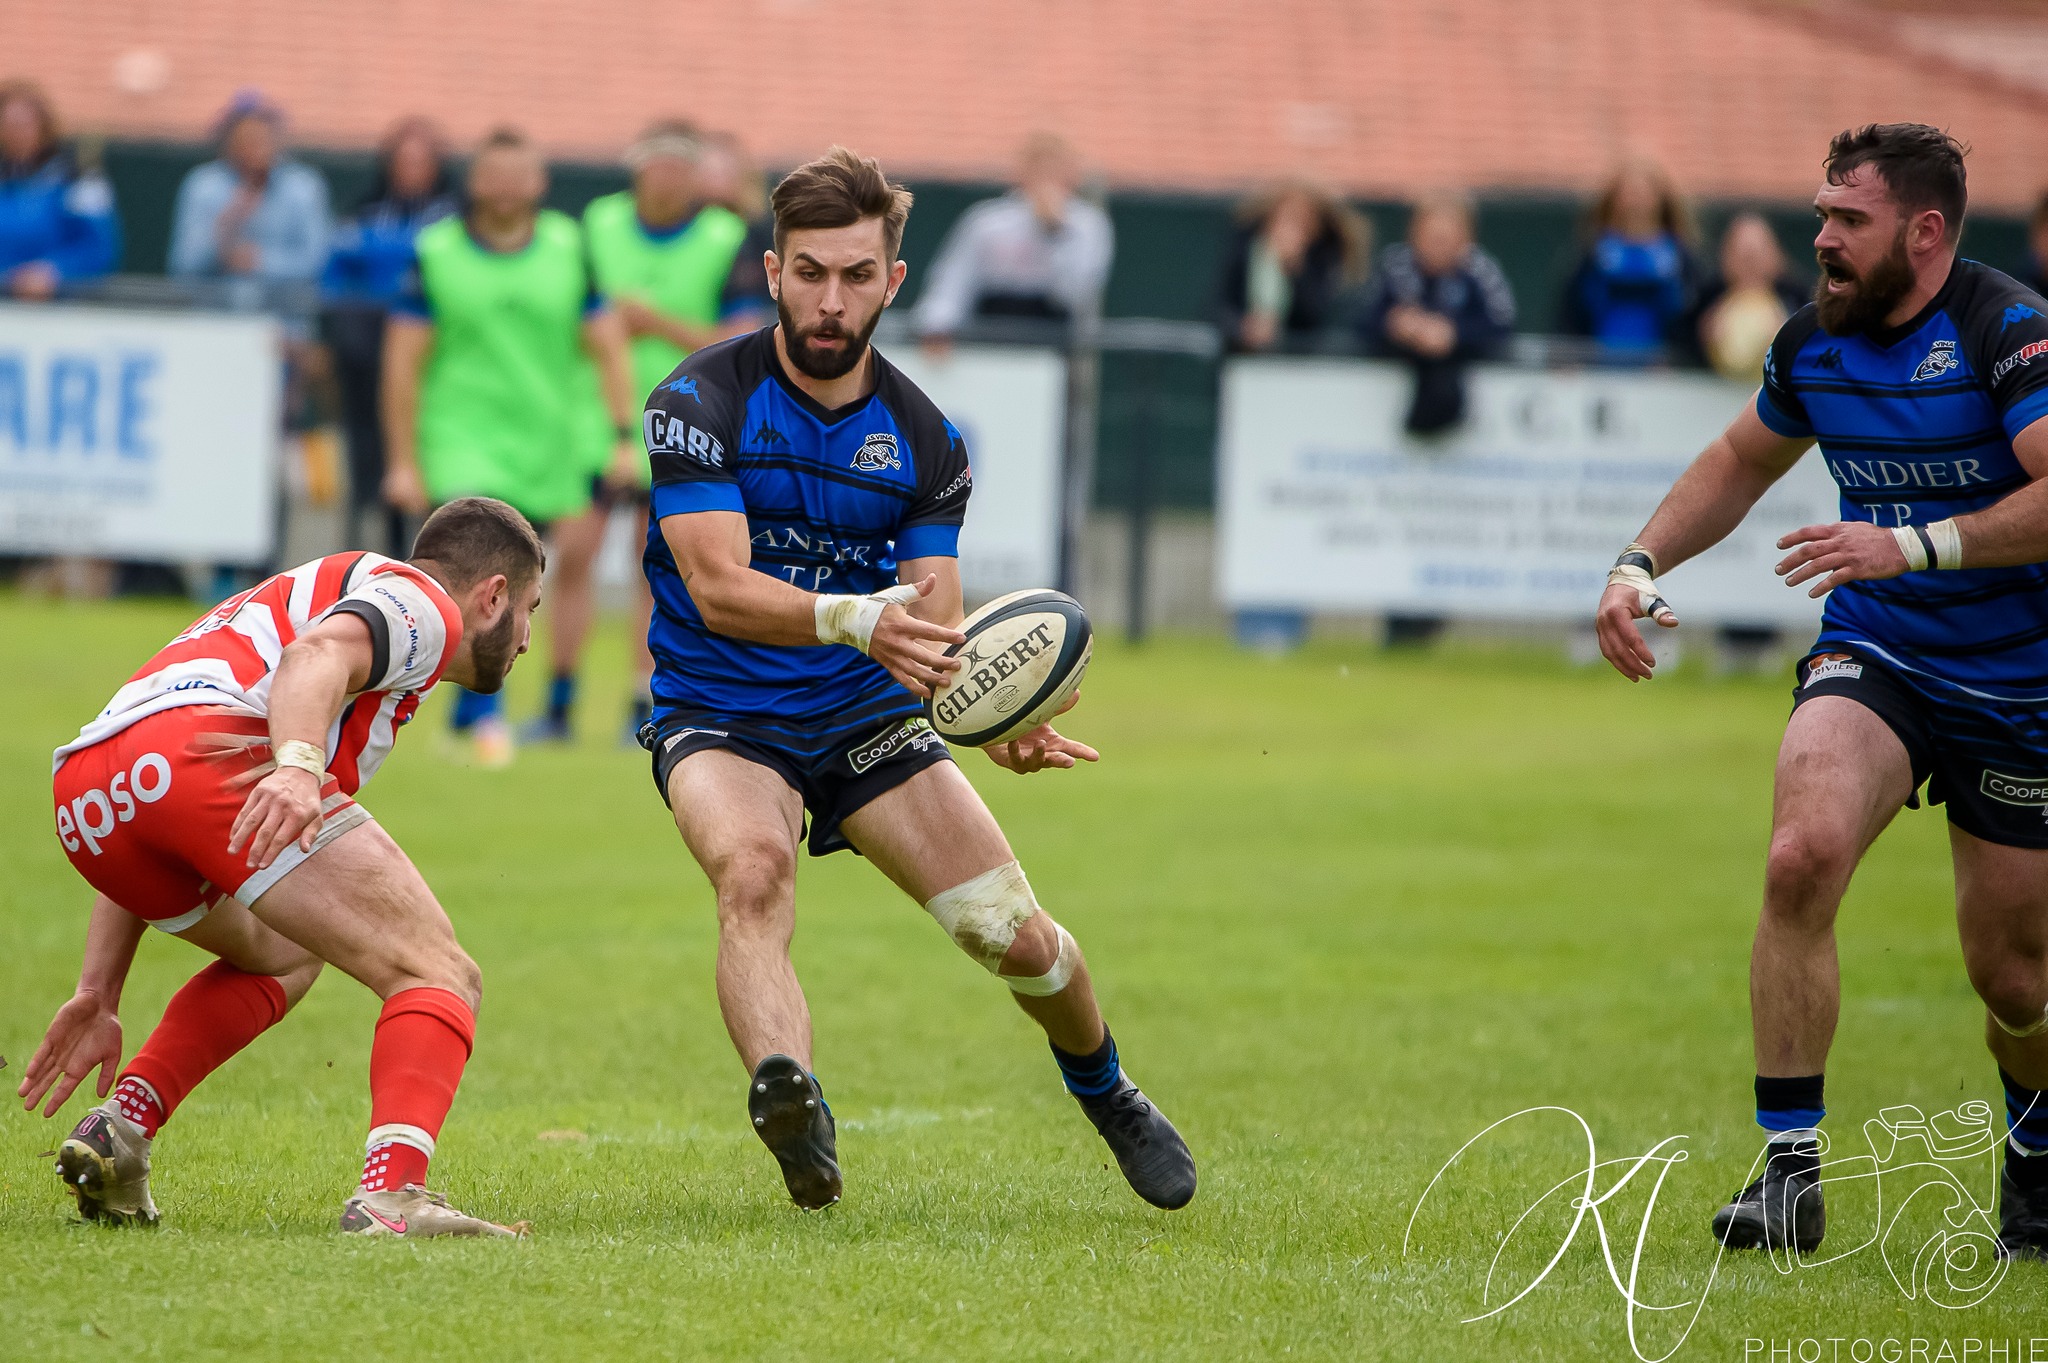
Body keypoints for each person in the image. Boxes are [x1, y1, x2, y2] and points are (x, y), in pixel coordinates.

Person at [638, 147, 1196, 1212]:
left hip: (864, 716)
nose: (829, 300)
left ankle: (1106, 1086)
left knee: (1015, 937)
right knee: (750, 875)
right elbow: (715, 585)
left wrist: (988, 707)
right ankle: (788, 1095)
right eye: (808, 272)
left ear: (893, 282)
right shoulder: (697, 399)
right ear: (770, 272)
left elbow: (931, 613)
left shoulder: (927, 442)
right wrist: (857, 616)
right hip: (720, 712)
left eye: (854, 276)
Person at [1594, 124, 2048, 1262]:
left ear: (1924, 230)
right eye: (1819, 215)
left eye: (1846, 220)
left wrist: (1916, 544)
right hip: (1878, 652)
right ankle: (1787, 1170)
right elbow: (1741, 461)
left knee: (2015, 978)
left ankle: (2036, 1152)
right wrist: (1635, 562)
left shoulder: (2005, 332)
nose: (1821, 239)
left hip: (2019, 677)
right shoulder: (1815, 343)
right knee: (1798, 854)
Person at [18, 498, 543, 1238]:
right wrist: (297, 766)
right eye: (528, 609)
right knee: (438, 970)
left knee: (290, 953)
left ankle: (124, 1126)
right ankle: (391, 1194)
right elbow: (317, 656)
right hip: (202, 753)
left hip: (90, 795)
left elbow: (150, 765)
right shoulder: (426, 603)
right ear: (491, 595)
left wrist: (98, 991)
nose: (526, 638)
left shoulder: (311, 603)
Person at [380, 127, 639, 766]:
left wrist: (621, 433)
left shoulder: (566, 247)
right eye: (492, 173)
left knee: (564, 567)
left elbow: (607, 344)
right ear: (474, 181)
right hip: (463, 438)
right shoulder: (436, 251)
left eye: (517, 174)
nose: (505, 186)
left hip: (550, 442)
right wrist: (404, 460)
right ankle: (484, 711)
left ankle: (555, 703)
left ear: (538, 183)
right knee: (482, 567)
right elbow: (402, 359)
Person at [528, 121, 769, 744]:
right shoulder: (598, 225)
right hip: (594, 419)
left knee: (656, 567)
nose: (666, 177)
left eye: (679, 166)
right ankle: (559, 703)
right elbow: (565, 317)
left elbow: (742, 338)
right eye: (655, 164)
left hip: (684, 420)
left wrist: (654, 322)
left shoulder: (725, 237)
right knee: (572, 557)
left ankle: (645, 705)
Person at [321, 118, 459, 559]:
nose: (412, 170)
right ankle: (376, 553)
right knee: (371, 457)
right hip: (365, 357)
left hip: (438, 359)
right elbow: (335, 274)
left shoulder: (454, 221)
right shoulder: (365, 213)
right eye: (404, 161)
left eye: (422, 160)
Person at [913, 132, 1114, 355]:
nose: (1045, 177)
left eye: (1055, 167)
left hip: (1054, 347)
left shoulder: (1087, 225)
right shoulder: (988, 221)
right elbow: (954, 279)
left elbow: (1076, 293)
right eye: (1038, 165)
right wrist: (937, 326)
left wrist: (1054, 232)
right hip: (989, 342)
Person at [1357, 191, 1515, 433]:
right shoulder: (1394, 266)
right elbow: (1363, 319)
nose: (1437, 247)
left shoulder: (1480, 270)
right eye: (1430, 236)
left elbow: (1503, 324)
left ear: (1466, 238)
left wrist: (1453, 334)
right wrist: (1397, 324)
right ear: (1413, 233)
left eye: (1445, 238)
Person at [167, 91, 329, 286]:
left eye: (261, 139)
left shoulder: (302, 187)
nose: (253, 148)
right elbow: (184, 264)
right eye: (244, 139)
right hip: (215, 311)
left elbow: (319, 262)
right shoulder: (204, 185)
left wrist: (259, 261)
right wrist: (227, 226)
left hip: (284, 312)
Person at [1560, 158, 1698, 361]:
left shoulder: (1679, 257)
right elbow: (1570, 312)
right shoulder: (1595, 253)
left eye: (1644, 192)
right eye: (1629, 192)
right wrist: (1570, 358)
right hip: (1599, 367)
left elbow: (1692, 318)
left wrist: (1679, 361)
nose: (1636, 201)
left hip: (1662, 375)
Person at [0, 79, 120, 300]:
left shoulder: (79, 178)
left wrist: (53, 271)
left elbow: (99, 249)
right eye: (8, 123)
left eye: (24, 124)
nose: (16, 132)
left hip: (59, 308)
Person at [1219, 180, 1369, 354]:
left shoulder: (1323, 260)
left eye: (1303, 221)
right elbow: (1219, 307)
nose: (1291, 228)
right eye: (1286, 217)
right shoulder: (1245, 251)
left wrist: (1293, 267)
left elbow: (1315, 318)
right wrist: (1243, 328)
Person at [1686, 213, 1810, 382]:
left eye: (1757, 256)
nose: (1751, 266)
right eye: (1744, 257)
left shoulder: (1801, 301)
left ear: (1776, 255)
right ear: (1726, 257)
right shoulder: (1704, 299)